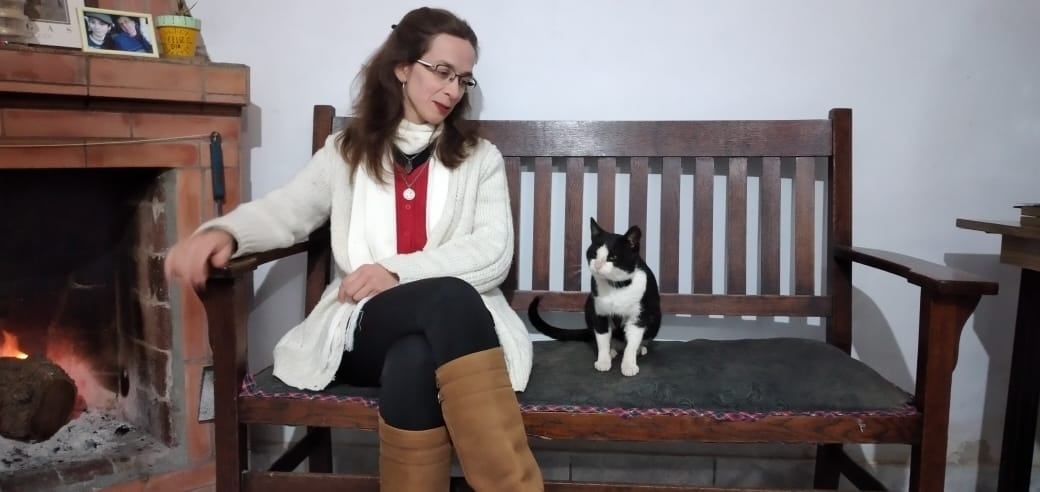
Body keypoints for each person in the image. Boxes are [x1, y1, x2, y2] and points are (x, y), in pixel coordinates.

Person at [162, 6, 543, 492]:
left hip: (453, 334)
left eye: (464, 80)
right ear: (402, 68)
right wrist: (226, 233)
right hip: (364, 324)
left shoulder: (478, 158)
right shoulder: (346, 152)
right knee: (447, 296)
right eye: (442, 72)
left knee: (414, 357)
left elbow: (492, 251)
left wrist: (394, 271)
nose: (453, 90)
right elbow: (287, 209)